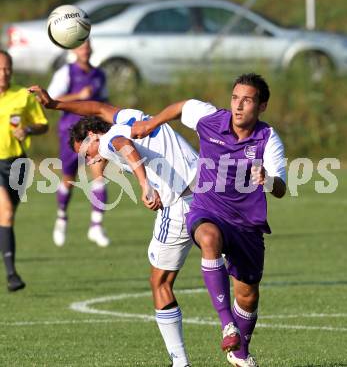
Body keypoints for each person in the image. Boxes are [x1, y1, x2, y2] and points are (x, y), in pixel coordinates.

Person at [28, 85, 197, 367]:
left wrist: (145, 185)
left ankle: (180, 362)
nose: (89, 159)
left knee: (159, 282)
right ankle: (235, 334)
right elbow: (96, 108)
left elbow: (124, 147)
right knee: (226, 260)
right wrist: (56, 104)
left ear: (92, 135)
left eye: (85, 152)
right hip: (210, 187)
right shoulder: (127, 117)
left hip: (180, 203)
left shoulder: (108, 139)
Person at [130, 73, 287, 367]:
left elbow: (281, 188)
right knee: (209, 238)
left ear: (262, 106)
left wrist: (267, 180)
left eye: (248, 100)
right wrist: (151, 124)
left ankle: (240, 350)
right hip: (207, 209)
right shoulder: (210, 118)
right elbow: (182, 106)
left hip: (246, 223)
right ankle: (227, 324)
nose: (239, 106)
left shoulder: (268, 138)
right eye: (235, 98)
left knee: (248, 295)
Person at [47, 40, 110, 247]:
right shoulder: (66, 72)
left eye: (88, 46)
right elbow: (51, 99)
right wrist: (78, 96)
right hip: (70, 134)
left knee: (99, 175)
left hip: (94, 135)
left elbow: (105, 103)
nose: (85, 50)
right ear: (74, 50)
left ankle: (96, 226)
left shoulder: (100, 75)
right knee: (68, 178)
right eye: (81, 47)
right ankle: (61, 218)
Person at [0, 50, 48, 292]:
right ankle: (12, 275)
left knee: (6, 217)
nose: (3, 73)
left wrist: (28, 130)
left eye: (7, 68)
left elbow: (43, 124)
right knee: (5, 212)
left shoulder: (22, 95)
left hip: (18, 164)